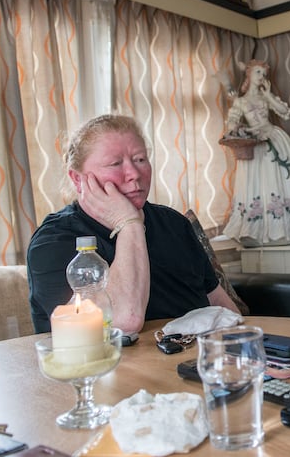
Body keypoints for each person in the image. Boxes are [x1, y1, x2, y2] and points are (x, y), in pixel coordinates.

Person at [27, 114, 240, 334]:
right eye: (115, 163)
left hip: (197, 361)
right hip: (114, 367)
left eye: (140, 159)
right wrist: (129, 223)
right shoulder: (52, 242)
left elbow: (221, 304)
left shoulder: (176, 224)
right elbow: (124, 320)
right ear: (78, 179)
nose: (134, 174)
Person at [221, 59, 290, 247]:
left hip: (274, 138)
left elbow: (285, 111)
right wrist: (237, 130)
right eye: (258, 72)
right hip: (254, 143)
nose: (261, 77)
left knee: (280, 179)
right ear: (249, 75)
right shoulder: (241, 102)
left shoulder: (264, 97)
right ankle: (261, 226)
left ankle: (286, 226)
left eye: (263, 73)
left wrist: (268, 96)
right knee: (258, 182)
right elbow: (233, 121)